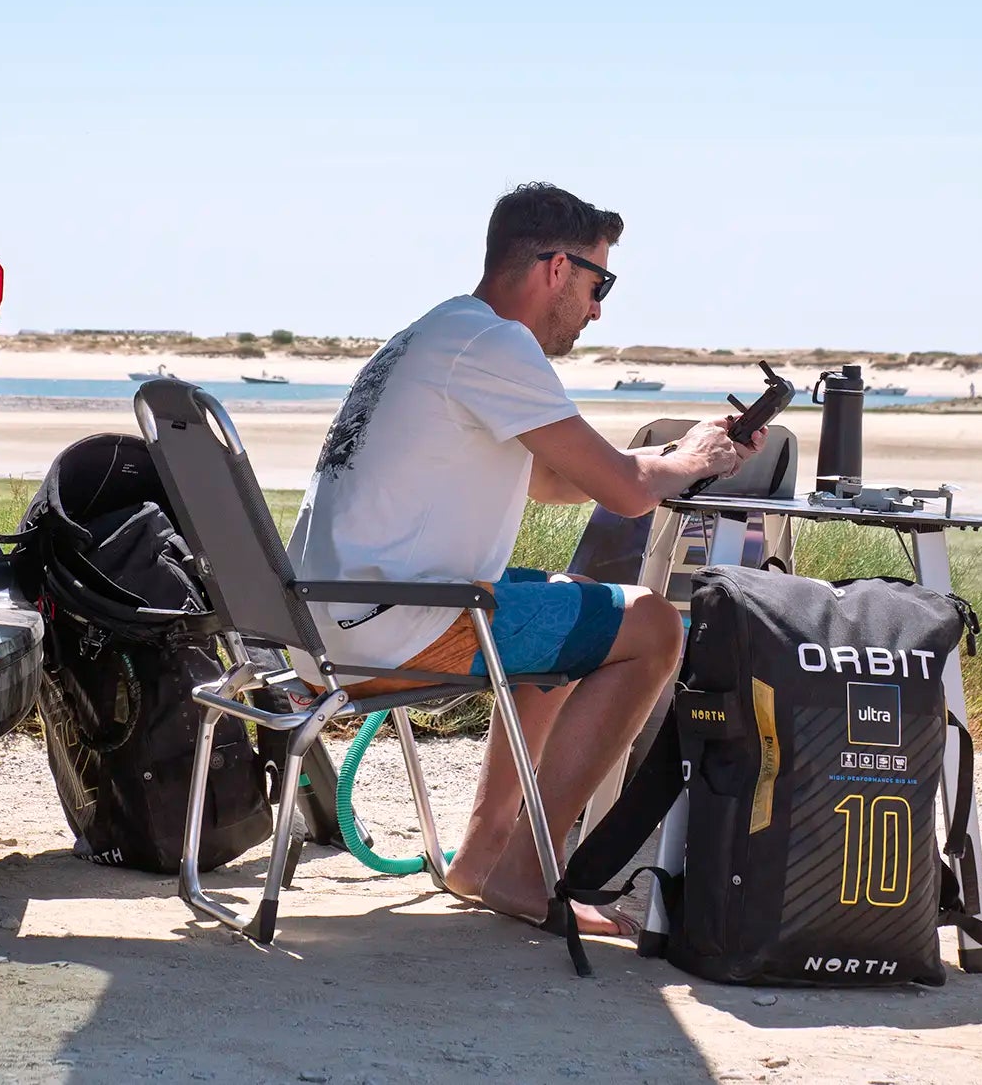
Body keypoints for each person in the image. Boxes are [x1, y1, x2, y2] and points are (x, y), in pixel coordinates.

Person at [286, 183, 764, 936]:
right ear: (557, 268)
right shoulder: (496, 345)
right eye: (600, 283)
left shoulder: (437, 333)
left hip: (319, 623)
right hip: (394, 629)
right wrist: (691, 460)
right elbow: (625, 494)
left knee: (572, 605)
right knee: (651, 628)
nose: (597, 310)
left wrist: (677, 455)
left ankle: (483, 858)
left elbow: (553, 481)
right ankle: (526, 872)